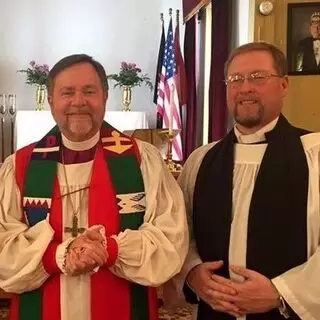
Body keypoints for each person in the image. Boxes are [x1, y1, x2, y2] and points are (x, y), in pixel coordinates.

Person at [0, 54, 189, 320]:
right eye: (67, 92)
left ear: (105, 97)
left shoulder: (141, 160)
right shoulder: (20, 166)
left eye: (89, 91)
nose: (79, 102)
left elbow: (170, 239)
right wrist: (57, 256)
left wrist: (111, 251)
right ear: (51, 100)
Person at [170, 42, 320, 319]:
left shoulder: (315, 154)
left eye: (258, 77)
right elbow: (180, 231)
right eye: (235, 79)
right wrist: (192, 272)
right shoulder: (202, 160)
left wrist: (282, 292)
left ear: (284, 85)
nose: (245, 87)